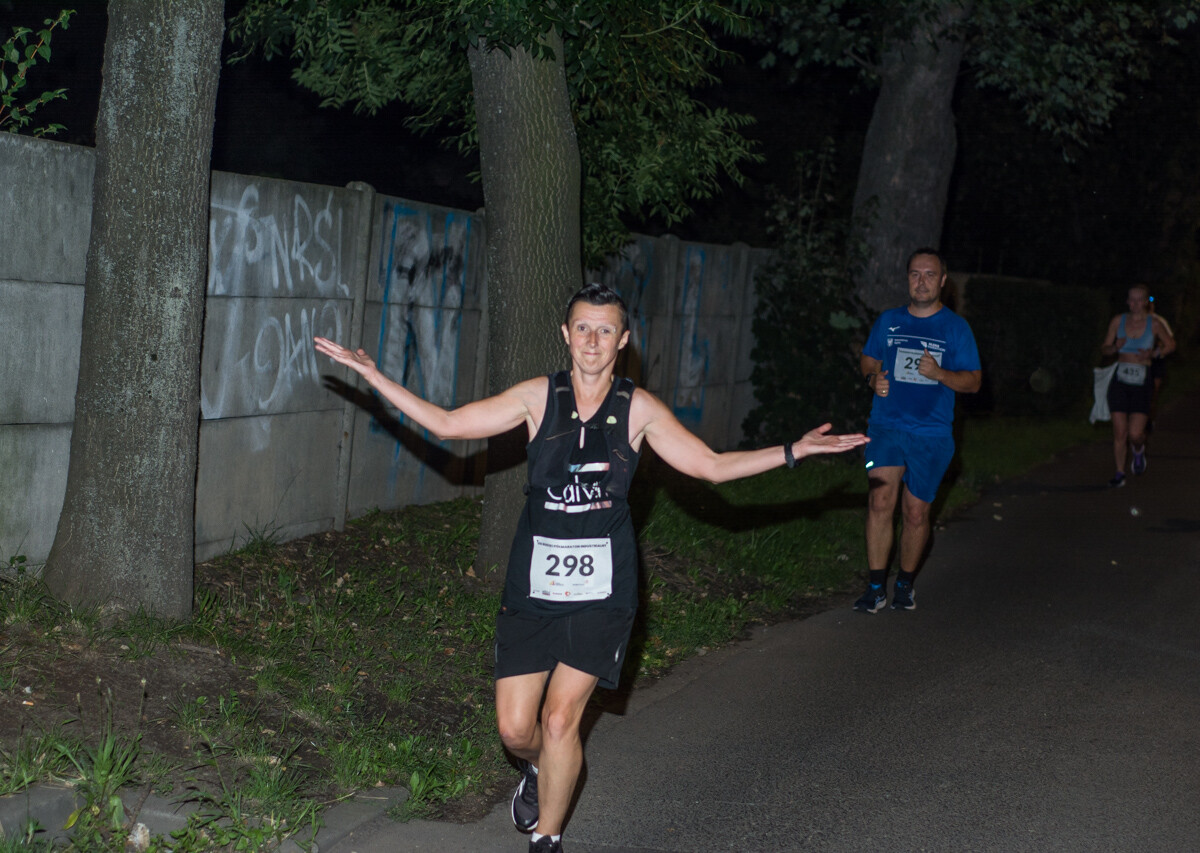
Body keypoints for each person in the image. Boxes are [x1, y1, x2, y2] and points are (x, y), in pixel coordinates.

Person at [314, 282, 868, 853]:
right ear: (565, 334)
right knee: (516, 731)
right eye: (583, 327)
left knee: (560, 723)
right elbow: (451, 426)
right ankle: (543, 770)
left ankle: (547, 839)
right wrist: (374, 376)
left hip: (604, 592)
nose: (593, 340)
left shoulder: (638, 409)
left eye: (606, 330)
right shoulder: (537, 397)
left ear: (623, 340)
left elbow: (710, 466)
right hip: (533, 588)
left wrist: (793, 451)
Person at [855, 248, 982, 613]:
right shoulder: (889, 321)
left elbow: (973, 382)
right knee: (880, 501)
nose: (921, 281)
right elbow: (868, 357)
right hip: (886, 426)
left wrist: (939, 374)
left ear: (942, 280)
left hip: (932, 434)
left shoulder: (956, 328)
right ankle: (876, 586)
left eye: (929, 274)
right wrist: (871, 378)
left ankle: (905, 584)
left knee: (915, 513)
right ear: (907, 278)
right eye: (915, 274)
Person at [1099, 284, 1175, 486]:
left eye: (1138, 299)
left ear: (1145, 301)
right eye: (1130, 299)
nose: (1133, 304)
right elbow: (1104, 349)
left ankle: (1138, 450)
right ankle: (1119, 473)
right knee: (1119, 432)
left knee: (1135, 434)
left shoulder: (1155, 323)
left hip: (1142, 381)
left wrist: (1154, 354)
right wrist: (1114, 347)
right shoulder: (1118, 321)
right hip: (1120, 380)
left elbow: (1170, 344)